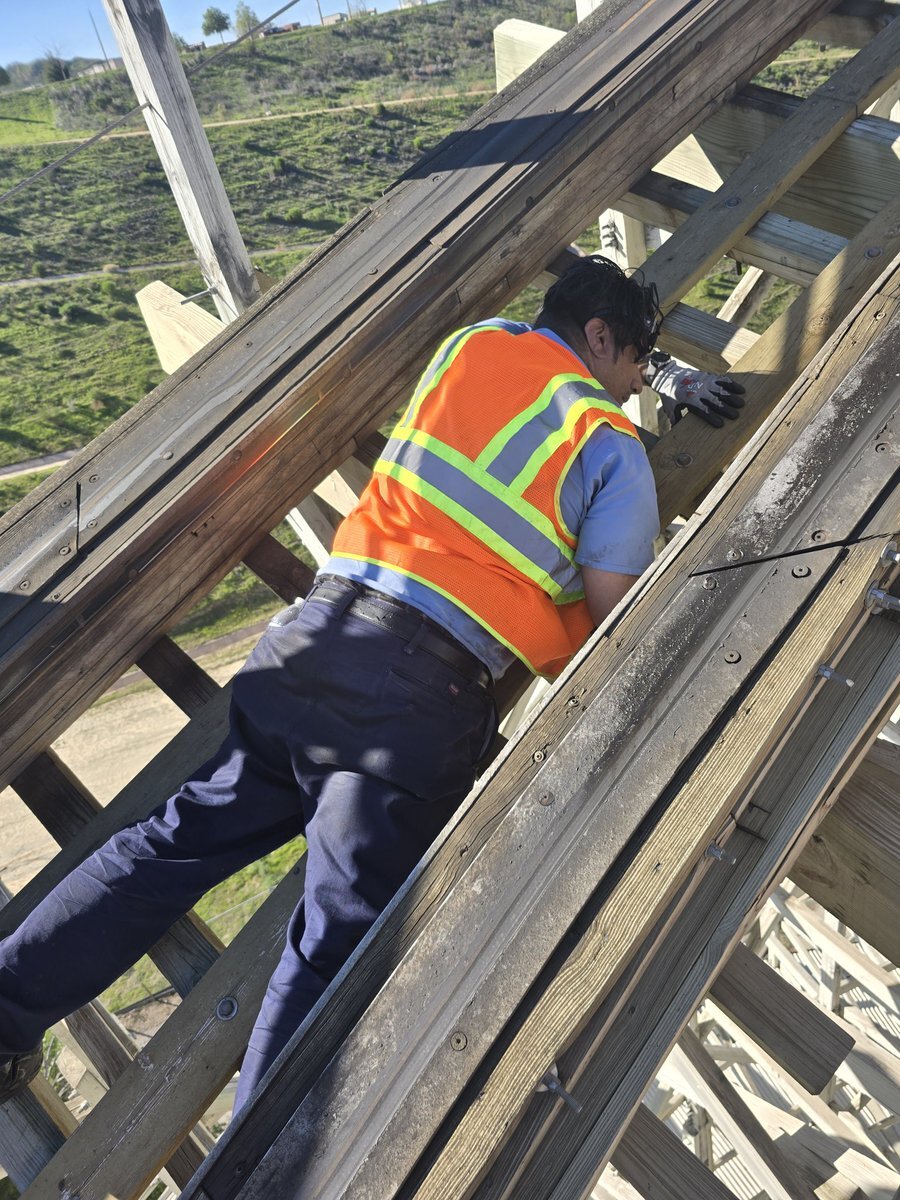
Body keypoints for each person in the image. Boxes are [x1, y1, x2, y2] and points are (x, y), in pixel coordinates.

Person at [0, 255, 742, 1112]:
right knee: (334, 948)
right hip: (410, 701)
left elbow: (535, 395)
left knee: (166, 847)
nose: (631, 385)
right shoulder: (608, 443)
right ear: (603, 337)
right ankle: (254, 1162)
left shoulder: (471, 347)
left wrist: (663, 373)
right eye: (633, 361)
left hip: (311, 641)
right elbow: (618, 621)